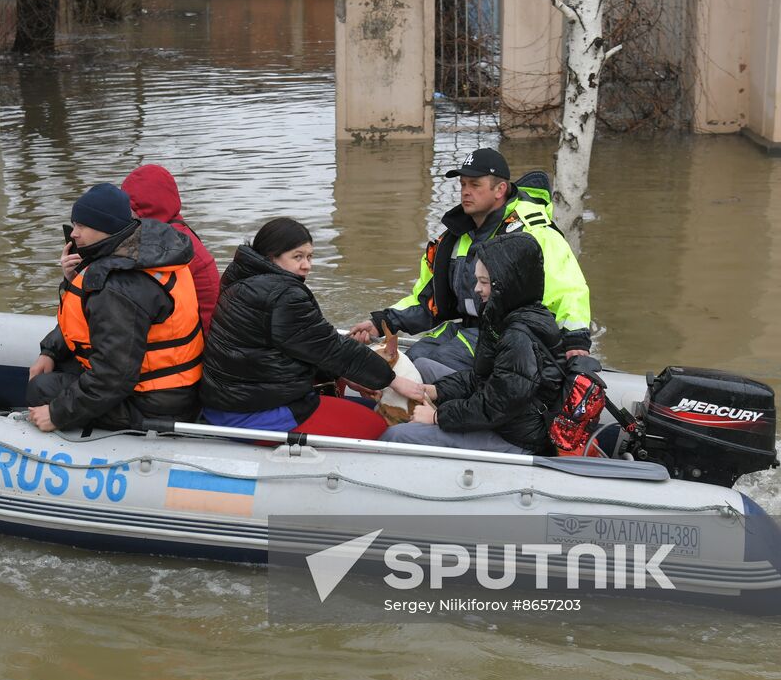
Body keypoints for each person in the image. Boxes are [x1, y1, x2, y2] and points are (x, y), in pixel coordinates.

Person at [350, 147, 591, 383]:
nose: (466, 192)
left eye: (475, 185)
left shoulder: (534, 233)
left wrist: (576, 342)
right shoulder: (453, 238)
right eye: (463, 184)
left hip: (513, 338)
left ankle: (442, 414)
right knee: (410, 360)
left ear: (500, 189)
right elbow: (427, 300)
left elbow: (568, 289)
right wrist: (381, 323)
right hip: (466, 329)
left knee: (425, 368)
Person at [200, 217, 424, 440]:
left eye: (309, 256)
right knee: (377, 425)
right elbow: (331, 347)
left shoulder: (244, 280)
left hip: (237, 399)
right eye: (297, 257)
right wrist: (392, 380)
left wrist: (346, 377)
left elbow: (307, 344)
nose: (307, 265)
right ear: (270, 256)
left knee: (366, 405)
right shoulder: (283, 295)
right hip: (253, 411)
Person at [27, 183, 203, 433]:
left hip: (155, 402)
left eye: (81, 226)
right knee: (58, 368)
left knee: (40, 389)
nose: (74, 234)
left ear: (105, 229)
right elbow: (87, 321)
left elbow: (114, 376)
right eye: (74, 225)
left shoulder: (118, 287)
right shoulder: (147, 248)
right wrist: (51, 351)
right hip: (173, 387)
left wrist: (56, 413)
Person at [380, 233, 564, 454]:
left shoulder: (518, 337)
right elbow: (482, 379)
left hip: (515, 438)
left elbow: (497, 406)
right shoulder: (504, 317)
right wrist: (436, 390)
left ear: (506, 285)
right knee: (424, 368)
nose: (476, 288)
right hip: (507, 419)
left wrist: (437, 416)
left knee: (396, 436)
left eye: (484, 282)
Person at [120, 164, 220, 331]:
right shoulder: (176, 230)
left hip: (201, 337)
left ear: (145, 207)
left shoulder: (169, 243)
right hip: (206, 329)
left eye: (130, 207)